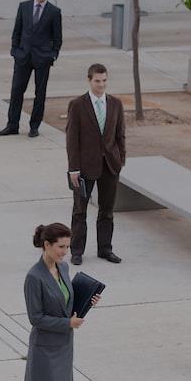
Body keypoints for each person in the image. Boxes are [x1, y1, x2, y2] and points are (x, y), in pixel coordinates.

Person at [22, 223, 101, 381]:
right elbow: (36, 318)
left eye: (67, 247)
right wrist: (67, 323)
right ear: (46, 245)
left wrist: (88, 301)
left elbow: (67, 301)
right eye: (61, 247)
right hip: (45, 349)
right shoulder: (34, 277)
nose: (65, 252)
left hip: (64, 345)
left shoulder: (63, 268)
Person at [66, 63, 125, 266]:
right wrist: (73, 168)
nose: (101, 85)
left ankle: (105, 249)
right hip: (84, 167)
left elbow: (120, 135)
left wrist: (120, 160)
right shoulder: (77, 105)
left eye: (104, 80)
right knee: (79, 210)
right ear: (89, 80)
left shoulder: (116, 104)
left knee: (107, 210)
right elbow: (72, 139)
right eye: (97, 81)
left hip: (110, 166)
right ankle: (76, 251)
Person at [0, 0, 62, 138]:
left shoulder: (54, 12)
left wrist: (52, 55)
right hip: (23, 56)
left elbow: (57, 38)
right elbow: (17, 31)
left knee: (40, 93)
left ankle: (34, 126)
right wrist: (15, 51)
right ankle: (12, 125)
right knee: (16, 91)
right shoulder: (24, 7)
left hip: (43, 58)